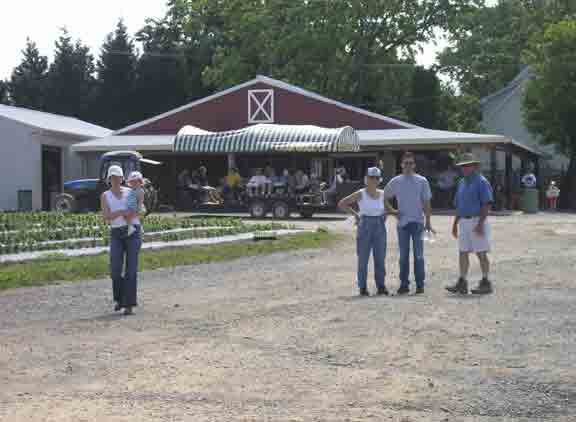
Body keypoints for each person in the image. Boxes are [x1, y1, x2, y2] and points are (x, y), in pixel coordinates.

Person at [384, 152, 434, 295]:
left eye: (410, 163)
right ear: (401, 165)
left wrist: (428, 222)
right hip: (402, 224)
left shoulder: (422, 181)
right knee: (404, 256)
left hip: (418, 223)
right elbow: (384, 197)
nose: (408, 166)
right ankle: (404, 285)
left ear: (414, 165)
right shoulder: (396, 181)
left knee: (419, 256)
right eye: (405, 163)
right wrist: (393, 211)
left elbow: (426, 202)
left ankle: (420, 285)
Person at [446, 153, 494, 295]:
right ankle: (462, 281)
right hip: (464, 222)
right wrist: (455, 224)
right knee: (463, 252)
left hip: (476, 220)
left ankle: (486, 281)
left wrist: (480, 224)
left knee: (481, 252)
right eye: (463, 166)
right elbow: (459, 205)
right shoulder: (461, 182)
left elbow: (486, 204)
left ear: (474, 166)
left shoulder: (481, 181)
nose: (465, 168)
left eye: (468, 165)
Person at [338, 167, 388, 297]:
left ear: (379, 180)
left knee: (380, 258)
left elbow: (386, 209)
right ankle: (363, 287)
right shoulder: (361, 193)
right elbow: (342, 203)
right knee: (363, 259)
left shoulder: (383, 194)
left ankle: (381, 286)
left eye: (376, 178)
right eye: (371, 177)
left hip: (379, 225)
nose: (374, 180)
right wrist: (356, 215)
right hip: (365, 224)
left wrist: (383, 218)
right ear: (367, 179)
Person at [100, 165, 143, 315]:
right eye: (112, 178)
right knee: (115, 269)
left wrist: (131, 213)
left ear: (122, 178)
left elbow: (140, 209)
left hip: (133, 232)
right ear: (109, 179)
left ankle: (129, 304)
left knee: (131, 269)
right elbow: (106, 217)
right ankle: (119, 299)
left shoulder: (130, 192)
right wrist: (120, 212)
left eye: (118, 177)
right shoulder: (105, 195)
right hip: (116, 233)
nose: (115, 180)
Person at [126, 171, 146, 237]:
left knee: (131, 217)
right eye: (132, 182)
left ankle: (134, 228)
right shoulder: (131, 190)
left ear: (140, 182)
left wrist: (138, 209)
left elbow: (140, 201)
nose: (134, 183)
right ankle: (131, 227)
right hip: (132, 207)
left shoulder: (140, 191)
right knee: (127, 216)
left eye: (136, 182)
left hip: (137, 207)